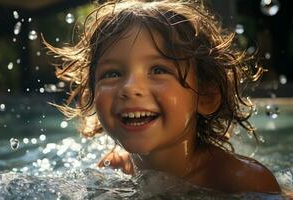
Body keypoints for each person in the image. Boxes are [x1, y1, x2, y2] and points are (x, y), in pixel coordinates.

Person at [44, 0, 282, 194]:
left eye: (158, 70)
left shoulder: (242, 181)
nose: (129, 87)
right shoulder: (113, 167)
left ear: (206, 96)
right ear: (92, 95)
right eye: (112, 73)